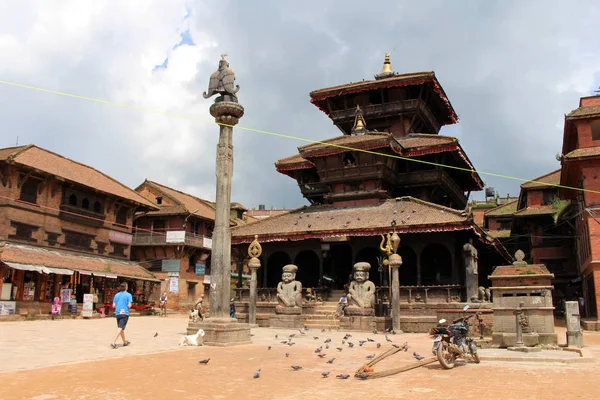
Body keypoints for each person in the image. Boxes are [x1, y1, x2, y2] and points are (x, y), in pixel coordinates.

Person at [111, 282, 132, 349]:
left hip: (117, 313)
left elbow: (113, 305)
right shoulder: (128, 295)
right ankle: (113, 341)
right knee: (120, 328)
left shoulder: (116, 295)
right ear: (126, 287)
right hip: (124, 313)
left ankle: (124, 342)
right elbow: (129, 305)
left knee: (121, 328)